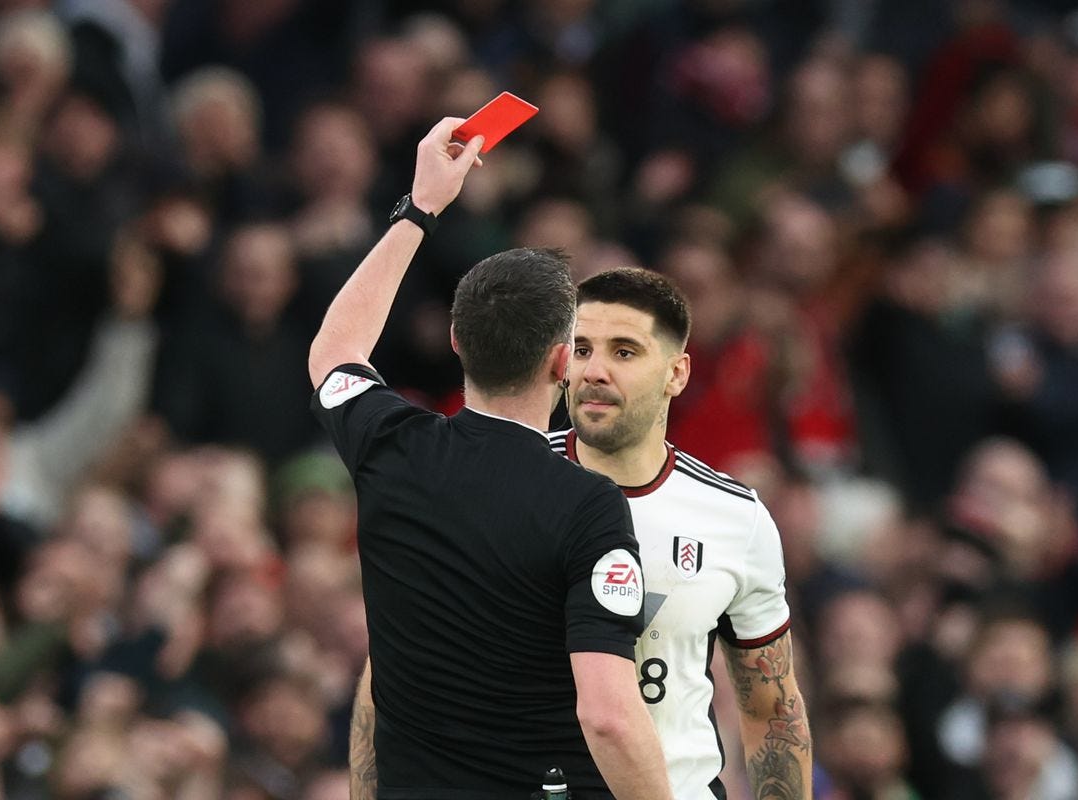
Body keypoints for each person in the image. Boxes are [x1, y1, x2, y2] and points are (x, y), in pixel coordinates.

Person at [307, 119, 672, 800]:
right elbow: (610, 717)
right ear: (564, 361)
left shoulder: (392, 447)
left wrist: (419, 209)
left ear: (454, 340)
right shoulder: (587, 505)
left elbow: (334, 352)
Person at [552, 267, 812, 799]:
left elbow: (772, 710)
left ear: (677, 373)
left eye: (624, 352)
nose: (595, 370)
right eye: (581, 350)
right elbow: (401, 669)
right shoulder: (503, 479)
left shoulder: (734, 518)